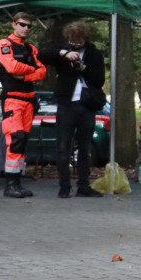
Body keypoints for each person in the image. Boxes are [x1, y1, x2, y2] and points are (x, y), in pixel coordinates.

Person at [38, 21, 105, 198]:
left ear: (85, 38)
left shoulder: (94, 54)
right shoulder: (62, 50)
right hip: (66, 104)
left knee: (84, 148)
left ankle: (84, 185)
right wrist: (64, 53)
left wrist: (83, 68)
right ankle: (64, 186)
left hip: (86, 105)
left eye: (80, 41)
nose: (77, 44)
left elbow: (99, 81)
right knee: (62, 147)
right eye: (73, 41)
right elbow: (42, 55)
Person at [0, 12, 47, 199]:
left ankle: (16, 182)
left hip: (29, 100)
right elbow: (11, 67)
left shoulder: (31, 48)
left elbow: (42, 72)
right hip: (13, 100)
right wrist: (31, 70)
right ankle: (10, 184)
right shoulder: (4, 44)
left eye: (29, 26)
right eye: (22, 24)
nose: (26, 28)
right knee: (15, 139)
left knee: (22, 142)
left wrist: (26, 74)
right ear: (14, 24)